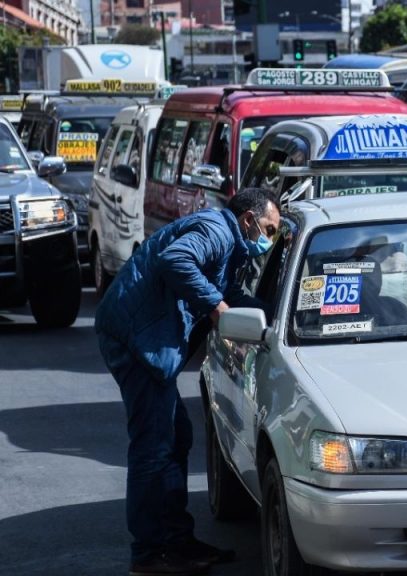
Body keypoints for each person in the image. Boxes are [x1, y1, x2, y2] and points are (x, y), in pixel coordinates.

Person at [95, 188, 282, 576]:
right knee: (154, 446)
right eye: (268, 228)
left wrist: (276, 316)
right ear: (248, 219)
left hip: (143, 340)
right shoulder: (217, 229)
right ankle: (149, 552)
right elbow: (176, 260)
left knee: (177, 436)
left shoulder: (230, 243)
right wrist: (216, 309)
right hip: (134, 340)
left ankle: (175, 540)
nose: (269, 238)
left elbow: (229, 292)